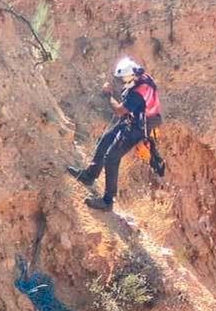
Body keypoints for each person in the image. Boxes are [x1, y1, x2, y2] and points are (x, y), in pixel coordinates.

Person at [67, 57, 162, 212]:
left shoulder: (137, 93)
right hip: (136, 120)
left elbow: (119, 111)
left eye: (123, 78)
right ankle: (90, 175)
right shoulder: (144, 78)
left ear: (132, 75)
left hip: (138, 127)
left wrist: (108, 95)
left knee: (111, 158)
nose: (122, 81)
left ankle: (107, 201)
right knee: (105, 141)